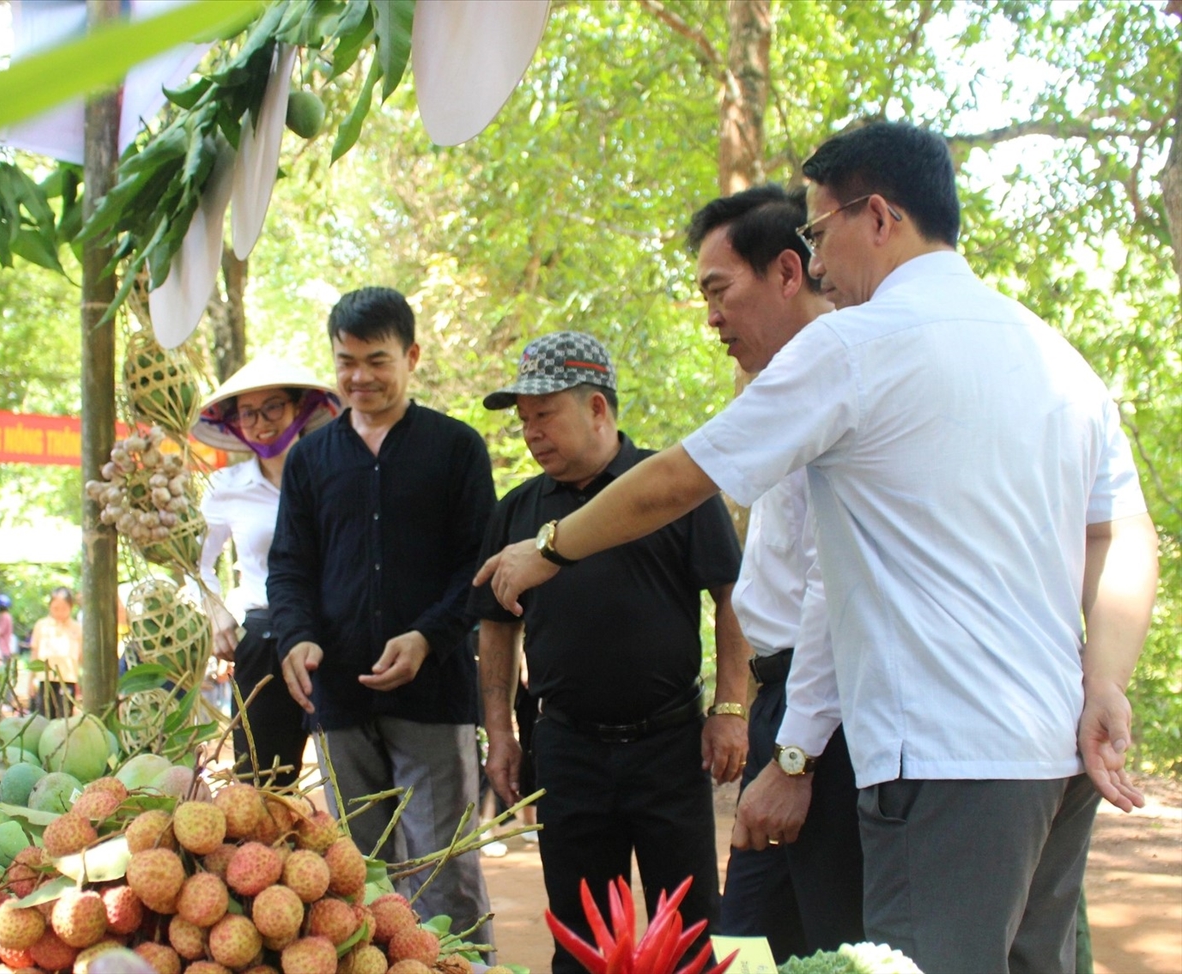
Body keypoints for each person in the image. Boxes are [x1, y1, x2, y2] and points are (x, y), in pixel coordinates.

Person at [477, 121, 1158, 974]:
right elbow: (1123, 534)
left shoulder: (857, 344)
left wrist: (550, 546)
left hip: (941, 757)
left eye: (818, 229)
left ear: (878, 217)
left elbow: (680, 479)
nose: (819, 262)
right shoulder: (1058, 358)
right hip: (1054, 753)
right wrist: (1105, 682)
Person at [470, 331, 748, 971]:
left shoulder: (671, 490)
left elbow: (733, 599)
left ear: (597, 408)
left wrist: (731, 708)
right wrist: (501, 732)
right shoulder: (517, 510)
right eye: (523, 421)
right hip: (567, 750)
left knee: (691, 934)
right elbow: (495, 624)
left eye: (544, 415)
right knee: (581, 938)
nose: (530, 433)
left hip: (670, 746)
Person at [269, 286, 496, 945]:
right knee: (353, 873)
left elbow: (477, 567)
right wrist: (296, 638)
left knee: (441, 868)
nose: (359, 377)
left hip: (434, 695)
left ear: (411, 356)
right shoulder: (310, 459)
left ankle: (461, 965)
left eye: (377, 360)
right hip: (335, 694)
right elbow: (289, 565)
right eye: (346, 361)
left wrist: (429, 636)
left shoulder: (456, 449)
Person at [685, 185, 864, 960]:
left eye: (720, 291)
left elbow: (832, 589)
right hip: (783, 701)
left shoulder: (844, 377)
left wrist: (796, 756)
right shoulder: (781, 386)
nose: (712, 318)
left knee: (829, 939)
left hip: (821, 710)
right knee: (753, 939)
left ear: (789, 273)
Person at [192, 356, 341, 785]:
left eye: (273, 407)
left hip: (334, 634)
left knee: (349, 779)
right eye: (248, 413)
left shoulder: (332, 474)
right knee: (263, 784)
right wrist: (217, 614)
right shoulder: (225, 487)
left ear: (301, 407)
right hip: (263, 640)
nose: (261, 423)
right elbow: (197, 565)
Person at [29, 587, 81, 718]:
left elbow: (82, 657)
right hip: (45, 678)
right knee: (44, 716)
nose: (59, 613)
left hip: (67, 678)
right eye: (55, 608)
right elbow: (34, 653)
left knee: (65, 717)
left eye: (64, 608)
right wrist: (30, 680)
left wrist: (83, 682)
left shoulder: (77, 628)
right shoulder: (41, 625)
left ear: (71, 607)